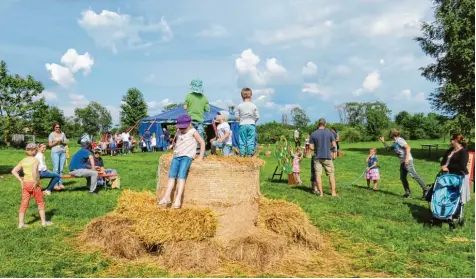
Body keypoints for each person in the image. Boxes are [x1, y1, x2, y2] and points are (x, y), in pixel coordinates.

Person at [158, 114, 205, 209]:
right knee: (171, 177)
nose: (182, 129)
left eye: (184, 127)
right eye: (181, 127)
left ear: (189, 124)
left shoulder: (193, 131)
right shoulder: (178, 131)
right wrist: (172, 146)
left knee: (181, 177)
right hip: (177, 156)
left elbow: (202, 142)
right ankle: (167, 196)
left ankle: (178, 198)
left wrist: (200, 157)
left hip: (186, 157)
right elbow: (178, 142)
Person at [11, 143, 53, 228]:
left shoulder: (23, 160)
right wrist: (35, 181)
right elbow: (34, 171)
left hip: (25, 183)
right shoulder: (35, 160)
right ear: (35, 151)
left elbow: (14, 171)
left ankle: (21, 224)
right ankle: (44, 222)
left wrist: (21, 180)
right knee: (40, 202)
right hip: (34, 184)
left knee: (24, 203)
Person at [379, 129, 429, 198]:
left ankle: (426, 189)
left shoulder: (400, 140)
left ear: (393, 135)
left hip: (407, 161)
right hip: (403, 162)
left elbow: (408, 147)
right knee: (402, 178)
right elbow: (388, 149)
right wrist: (383, 142)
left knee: (414, 175)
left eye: (390, 134)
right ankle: (408, 193)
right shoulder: (395, 143)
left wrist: (406, 159)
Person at [310, 118, 337, 197]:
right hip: (327, 157)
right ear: (325, 124)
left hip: (317, 157)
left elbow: (311, 147)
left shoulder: (313, 133)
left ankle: (321, 193)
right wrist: (329, 148)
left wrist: (317, 149)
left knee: (318, 175)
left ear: (318, 124)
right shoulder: (329, 133)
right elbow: (334, 145)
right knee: (331, 174)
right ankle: (333, 193)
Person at [440, 133, 470, 204]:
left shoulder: (464, 151)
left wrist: (448, 168)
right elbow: (443, 161)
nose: (450, 141)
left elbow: (462, 166)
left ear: (455, 140)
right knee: (447, 194)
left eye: (451, 139)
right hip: (447, 175)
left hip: (459, 176)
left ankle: (457, 212)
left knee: (458, 196)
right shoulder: (450, 150)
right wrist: (443, 166)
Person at [184, 79, 210, 156]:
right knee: (200, 138)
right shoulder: (204, 97)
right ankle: (203, 154)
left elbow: (185, 107)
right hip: (200, 121)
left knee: (190, 137)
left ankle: (189, 153)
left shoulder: (188, 96)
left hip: (190, 120)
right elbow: (207, 109)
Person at [235, 87, 259, 157]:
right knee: (250, 140)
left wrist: (240, 121)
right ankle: (250, 155)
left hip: (242, 124)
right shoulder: (253, 105)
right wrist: (253, 121)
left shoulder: (240, 106)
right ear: (251, 95)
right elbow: (257, 116)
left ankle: (242, 155)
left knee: (242, 140)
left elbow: (237, 116)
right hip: (251, 124)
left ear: (242, 96)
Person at [48, 122, 67, 189]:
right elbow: (50, 145)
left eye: (59, 127)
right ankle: (55, 184)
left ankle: (60, 183)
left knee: (61, 169)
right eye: (56, 127)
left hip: (63, 153)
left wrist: (62, 142)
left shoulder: (63, 134)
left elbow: (66, 143)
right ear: (54, 128)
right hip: (55, 152)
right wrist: (56, 142)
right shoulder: (51, 134)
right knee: (56, 169)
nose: (58, 128)